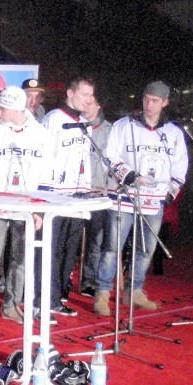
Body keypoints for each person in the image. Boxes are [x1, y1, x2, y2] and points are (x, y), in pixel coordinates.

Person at [94, 81, 188, 316]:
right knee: (112, 248)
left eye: (155, 100)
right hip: (125, 196)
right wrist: (128, 175)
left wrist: (169, 192)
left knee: (146, 249)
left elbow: (180, 166)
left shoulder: (173, 132)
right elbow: (110, 154)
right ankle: (103, 292)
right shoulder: (124, 126)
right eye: (146, 98)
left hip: (153, 200)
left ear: (165, 103)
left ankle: (134, 291)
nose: (149, 104)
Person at [0, 87, 52, 332]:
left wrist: (40, 210)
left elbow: (46, 173)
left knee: (20, 259)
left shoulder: (40, 133)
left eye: (2, 108)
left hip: (27, 206)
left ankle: (11, 305)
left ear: (17, 109)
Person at [40, 77, 96, 321]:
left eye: (91, 96)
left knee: (69, 250)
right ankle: (44, 297)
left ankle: (59, 294)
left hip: (79, 194)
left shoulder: (85, 122)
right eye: (84, 95)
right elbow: (44, 155)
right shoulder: (54, 119)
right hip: (57, 194)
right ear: (70, 93)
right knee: (52, 248)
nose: (89, 100)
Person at [79, 97, 112, 298]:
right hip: (75, 192)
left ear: (99, 106)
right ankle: (61, 282)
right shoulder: (72, 125)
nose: (86, 107)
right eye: (84, 102)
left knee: (96, 241)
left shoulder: (110, 130)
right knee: (69, 242)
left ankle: (89, 280)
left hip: (99, 193)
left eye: (90, 103)